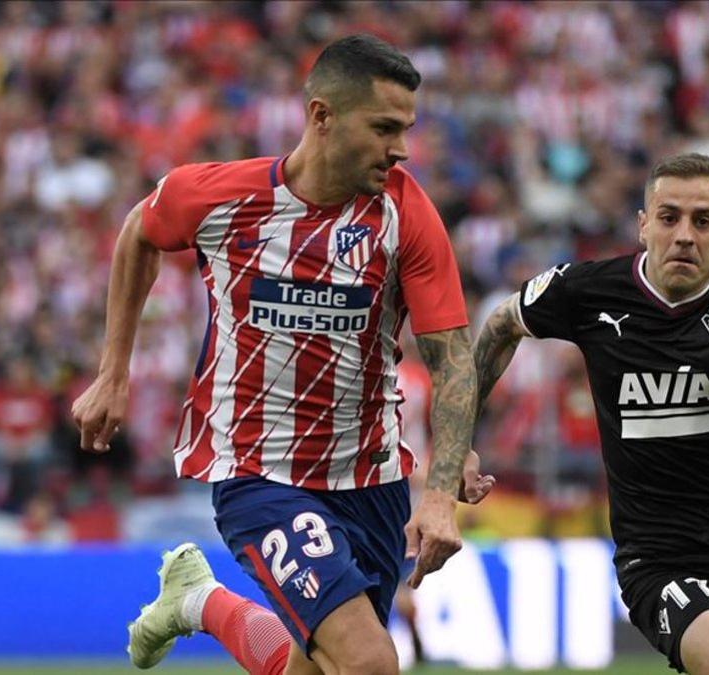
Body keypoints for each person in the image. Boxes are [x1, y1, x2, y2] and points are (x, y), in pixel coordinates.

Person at [71, 34, 494, 675]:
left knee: (317, 667)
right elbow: (140, 232)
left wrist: (440, 484)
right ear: (322, 116)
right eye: (384, 127)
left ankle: (202, 604)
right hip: (257, 471)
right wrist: (113, 372)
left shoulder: (406, 213)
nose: (400, 148)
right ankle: (205, 602)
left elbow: (452, 358)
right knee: (370, 663)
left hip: (371, 478)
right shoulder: (220, 197)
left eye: (405, 128)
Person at [472, 153, 709, 675]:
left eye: (703, 221)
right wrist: (457, 445)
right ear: (643, 226)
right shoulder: (588, 291)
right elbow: (499, 327)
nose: (684, 235)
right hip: (662, 561)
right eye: (669, 218)